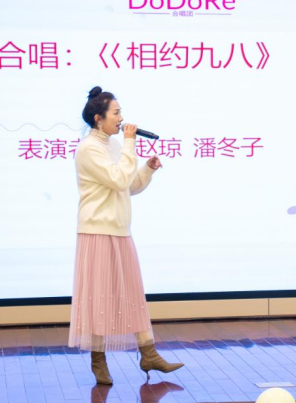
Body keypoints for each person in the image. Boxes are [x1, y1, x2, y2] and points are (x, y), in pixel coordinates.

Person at [68, 86, 183, 384]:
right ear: (98, 118)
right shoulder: (88, 148)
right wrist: (131, 142)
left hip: (120, 230)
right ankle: (98, 361)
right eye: (116, 113)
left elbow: (129, 185)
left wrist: (147, 170)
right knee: (98, 300)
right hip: (96, 231)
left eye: (121, 113)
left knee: (133, 295)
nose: (121, 119)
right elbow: (118, 179)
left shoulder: (114, 144)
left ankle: (149, 353)